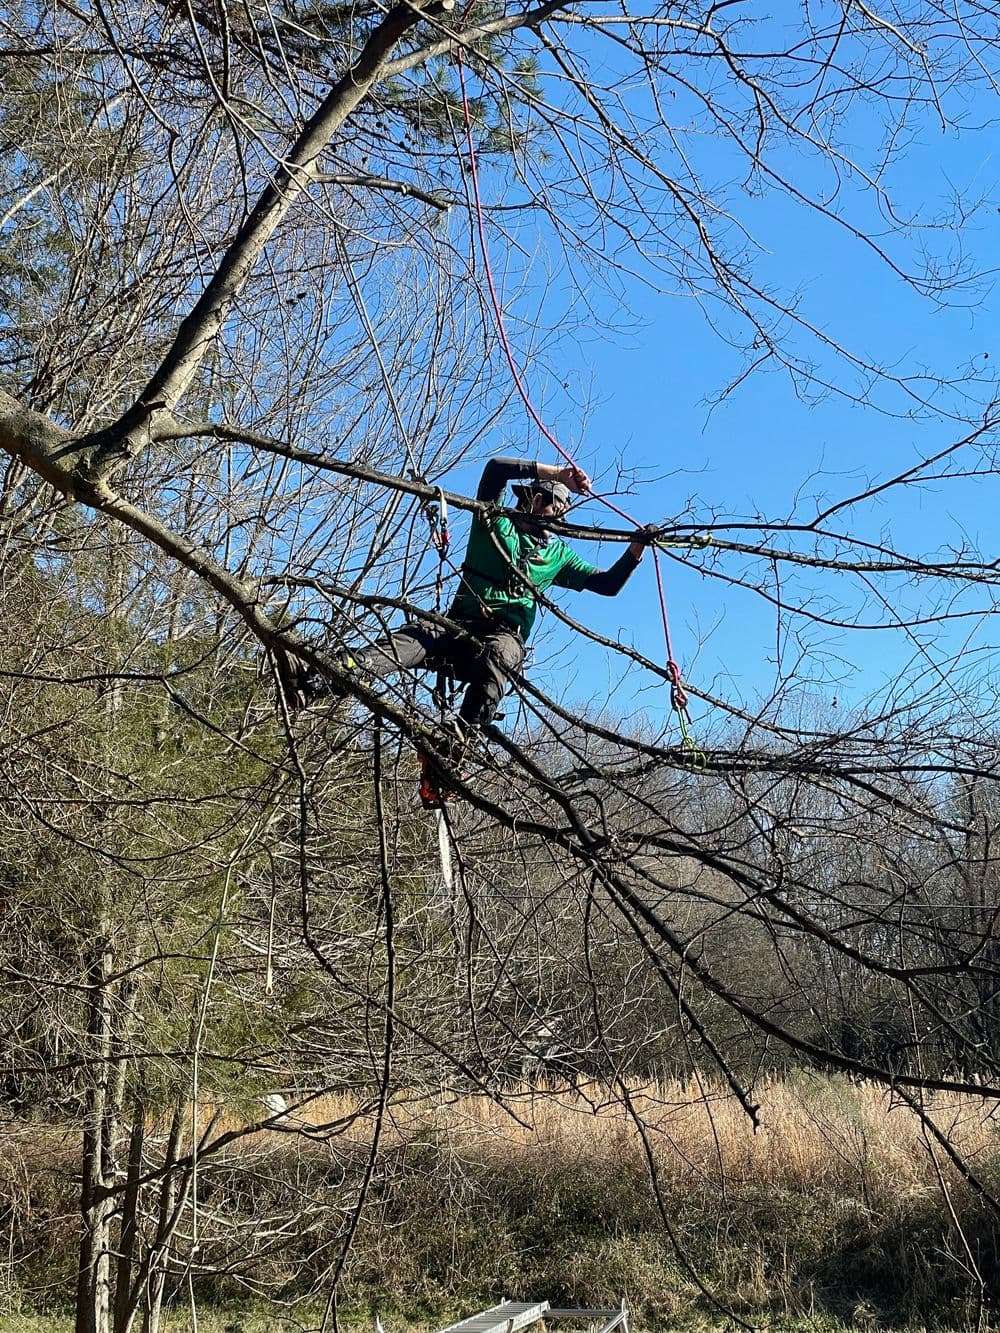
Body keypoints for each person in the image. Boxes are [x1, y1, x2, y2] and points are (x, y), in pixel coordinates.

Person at [285, 456, 657, 740]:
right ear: (531, 499)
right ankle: (320, 677)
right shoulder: (493, 522)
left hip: (501, 637)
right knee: (408, 641)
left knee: (503, 655)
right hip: (458, 624)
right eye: (549, 504)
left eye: (559, 509)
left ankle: (460, 740)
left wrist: (635, 550)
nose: (554, 514)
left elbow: (606, 585)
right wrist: (557, 474)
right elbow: (495, 471)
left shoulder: (558, 556)